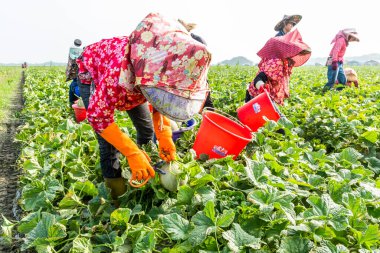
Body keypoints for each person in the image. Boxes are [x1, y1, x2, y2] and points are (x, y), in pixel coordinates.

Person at [76, 13, 211, 203]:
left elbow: (162, 99)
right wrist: (131, 153)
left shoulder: (162, 66)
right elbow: (99, 118)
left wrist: (164, 136)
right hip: (94, 72)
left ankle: (144, 169)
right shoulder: (117, 76)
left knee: (146, 129)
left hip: (135, 82)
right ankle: (116, 198)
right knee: (108, 145)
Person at [245, 29, 311, 107]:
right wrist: (263, 90)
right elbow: (258, 78)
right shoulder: (276, 62)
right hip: (257, 97)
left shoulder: (284, 62)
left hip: (268, 96)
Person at [178, 19, 214, 109]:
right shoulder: (178, 40)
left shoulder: (197, 40)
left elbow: (207, 57)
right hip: (183, 79)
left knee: (205, 103)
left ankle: (209, 120)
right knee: (186, 105)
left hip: (198, 77)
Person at [66, 39, 83, 106]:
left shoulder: (73, 50)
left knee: (73, 86)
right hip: (82, 77)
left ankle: (73, 104)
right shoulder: (83, 51)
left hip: (80, 80)